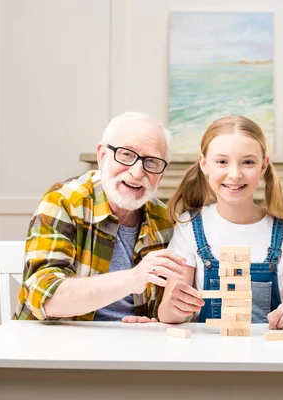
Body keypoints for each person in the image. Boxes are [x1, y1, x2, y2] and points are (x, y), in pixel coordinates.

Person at [14, 112, 192, 322]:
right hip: (55, 345)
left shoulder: (164, 220)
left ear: (161, 173)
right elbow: (46, 298)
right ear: (102, 156)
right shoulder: (64, 203)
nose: (136, 172)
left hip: (129, 347)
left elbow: (165, 308)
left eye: (151, 162)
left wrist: (152, 322)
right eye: (126, 154)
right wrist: (131, 278)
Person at [161, 116, 283, 329]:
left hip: (271, 355)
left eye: (248, 162)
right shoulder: (189, 226)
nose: (235, 174)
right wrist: (175, 306)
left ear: (263, 166)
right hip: (206, 355)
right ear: (204, 164)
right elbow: (167, 314)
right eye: (222, 161)